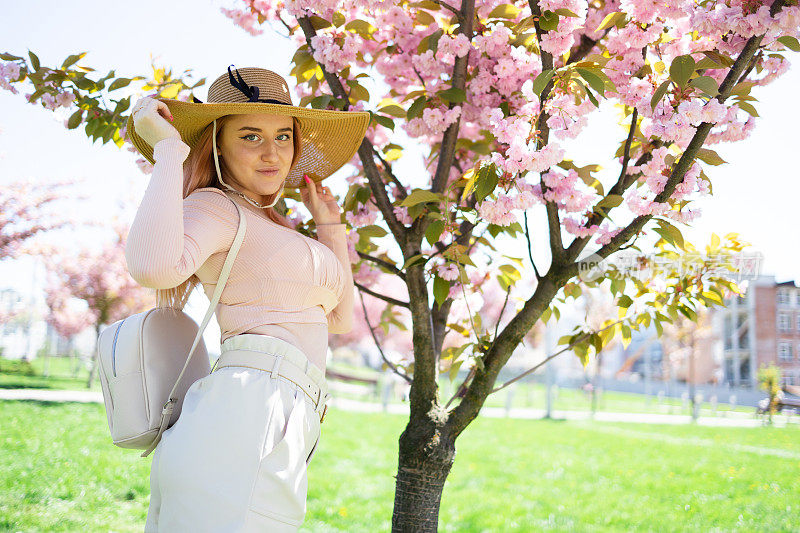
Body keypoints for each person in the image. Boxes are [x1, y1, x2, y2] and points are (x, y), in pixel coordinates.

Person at [124, 65, 370, 531]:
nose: (271, 152)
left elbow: (338, 319)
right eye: (251, 136)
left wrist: (330, 228)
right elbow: (151, 266)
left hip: (283, 412)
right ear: (217, 144)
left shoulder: (270, 225)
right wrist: (169, 151)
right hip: (248, 407)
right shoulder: (215, 206)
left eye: (283, 137)